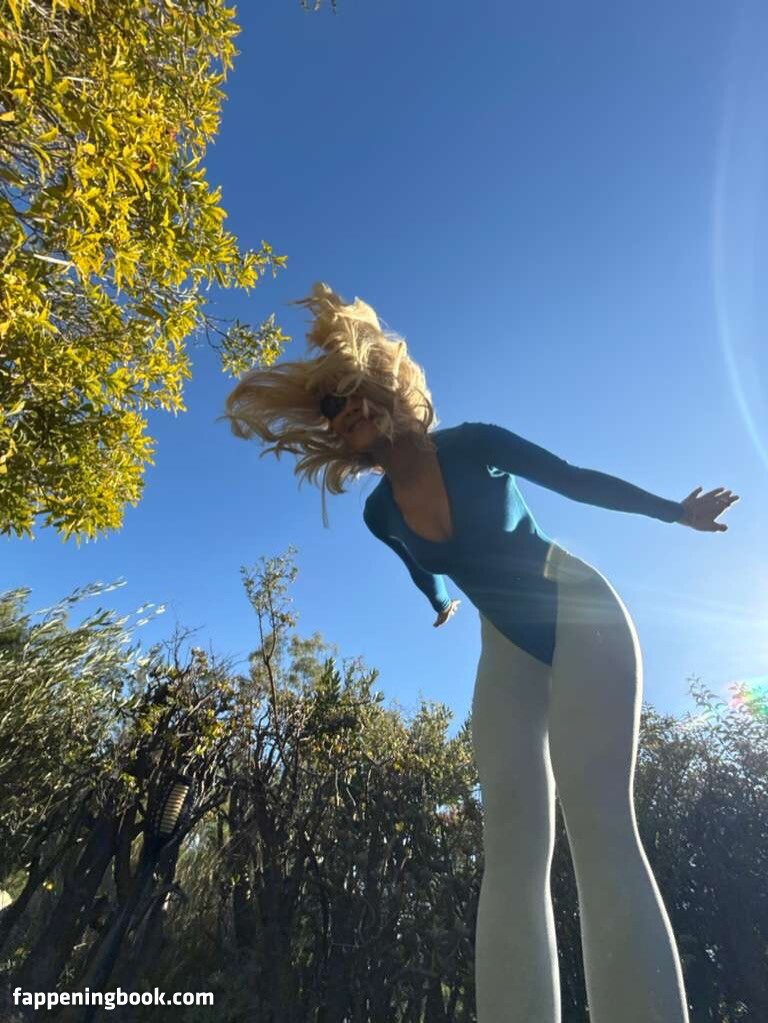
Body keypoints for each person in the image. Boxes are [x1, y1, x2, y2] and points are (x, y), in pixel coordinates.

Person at [221, 281, 739, 1023]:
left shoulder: (474, 445)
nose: (346, 409)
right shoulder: (377, 513)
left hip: (577, 609)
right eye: (332, 405)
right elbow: (420, 564)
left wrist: (675, 512)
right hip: (505, 646)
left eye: (354, 390)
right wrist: (439, 603)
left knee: (599, 821)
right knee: (512, 852)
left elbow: (573, 480)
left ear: (385, 384)